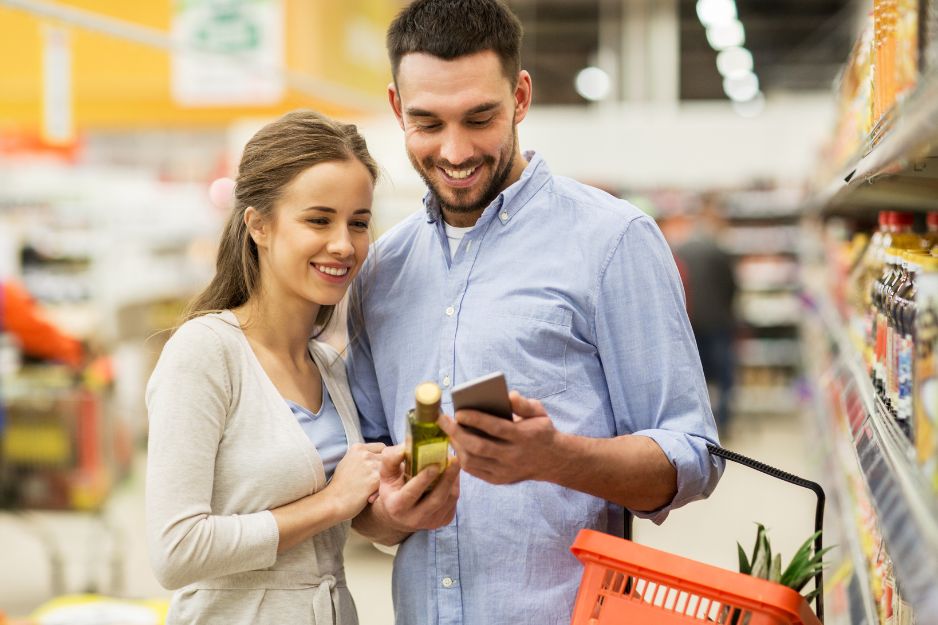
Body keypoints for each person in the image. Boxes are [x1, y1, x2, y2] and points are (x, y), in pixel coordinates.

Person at [347, 1, 724, 623]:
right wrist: (389, 512)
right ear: (396, 109)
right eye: (427, 123)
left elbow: (692, 456)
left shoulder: (612, 241)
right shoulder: (381, 269)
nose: (455, 149)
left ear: (520, 97)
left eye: (479, 117)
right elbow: (368, 485)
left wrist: (556, 456)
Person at [145, 110, 386, 625]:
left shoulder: (330, 368)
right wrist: (331, 503)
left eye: (358, 222)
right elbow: (176, 550)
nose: (344, 244)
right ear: (259, 225)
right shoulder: (206, 352)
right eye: (319, 220)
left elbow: (350, 523)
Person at [672, 193, 738, 431]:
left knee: (694, 376)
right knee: (724, 378)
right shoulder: (719, 250)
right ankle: (723, 423)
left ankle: (697, 424)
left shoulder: (680, 249)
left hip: (690, 323)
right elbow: (731, 286)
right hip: (718, 321)